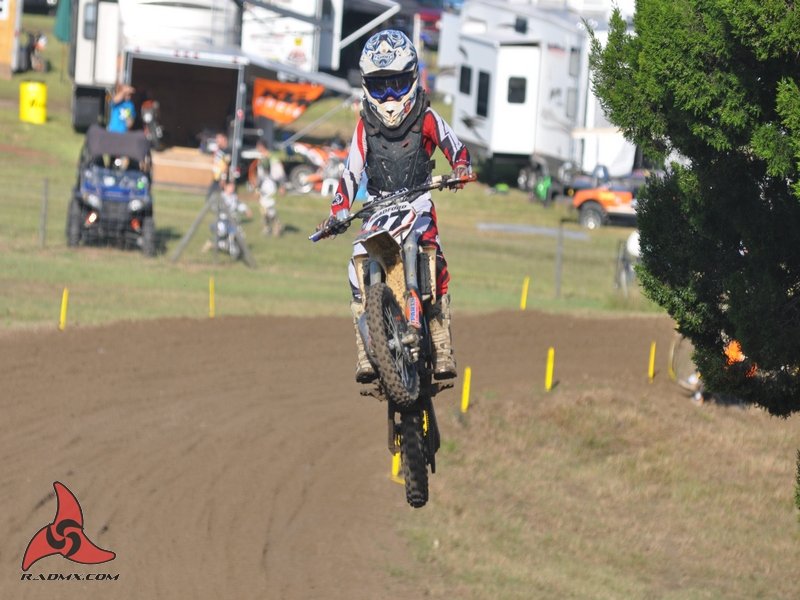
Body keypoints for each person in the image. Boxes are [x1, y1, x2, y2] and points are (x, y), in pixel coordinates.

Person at [318, 29, 472, 384]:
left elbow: (456, 149)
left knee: (434, 255)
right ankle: (365, 347)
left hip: (418, 202)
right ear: (366, 86)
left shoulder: (427, 117)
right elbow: (350, 172)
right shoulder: (364, 127)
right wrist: (338, 210)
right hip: (377, 208)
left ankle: (440, 340)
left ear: (412, 78)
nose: (389, 96)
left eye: (397, 85)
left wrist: (461, 168)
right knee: (356, 265)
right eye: (380, 86)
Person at [253, 140, 287, 236]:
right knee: (263, 209)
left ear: (262, 146)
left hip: (271, 186)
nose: (257, 148)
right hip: (263, 186)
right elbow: (260, 175)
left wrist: (282, 186)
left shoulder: (273, 157)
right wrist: (257, 186)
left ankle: (277, 226)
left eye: (258, 146)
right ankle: (267, 227)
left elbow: (280, 172)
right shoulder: (261, 158)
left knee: (269, 208)